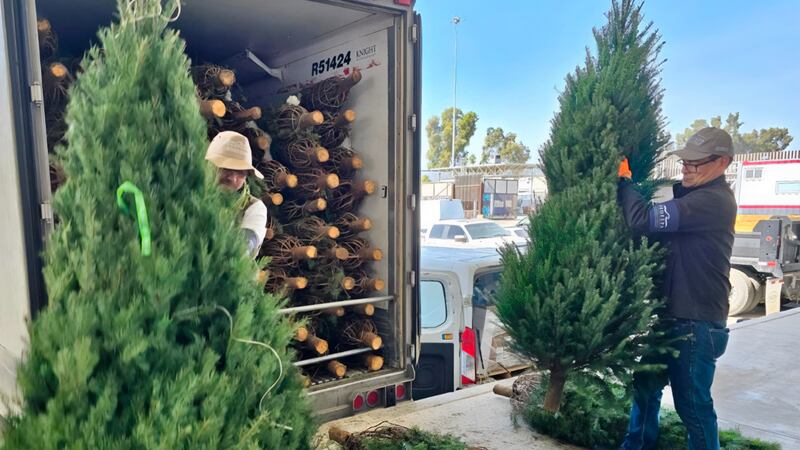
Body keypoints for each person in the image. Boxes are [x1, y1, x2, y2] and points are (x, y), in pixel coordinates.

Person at [617, 127, 737, 450]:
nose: (687, 167)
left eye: (696, 163)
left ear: (722, 163)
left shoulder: (712, 202)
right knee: (645, 382)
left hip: (696, 323)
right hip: (673, 317)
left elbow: (643, 220)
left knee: (693, 407)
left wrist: (624, 181)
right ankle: (637, 446)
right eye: (685, 161)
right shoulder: (693, 196)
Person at [205, 131, 268, 256]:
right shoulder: (190, 191)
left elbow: (246, 244)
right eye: (226, 169)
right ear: (209, 166)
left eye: (240, 173)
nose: (233, 178)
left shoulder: (254, 207)